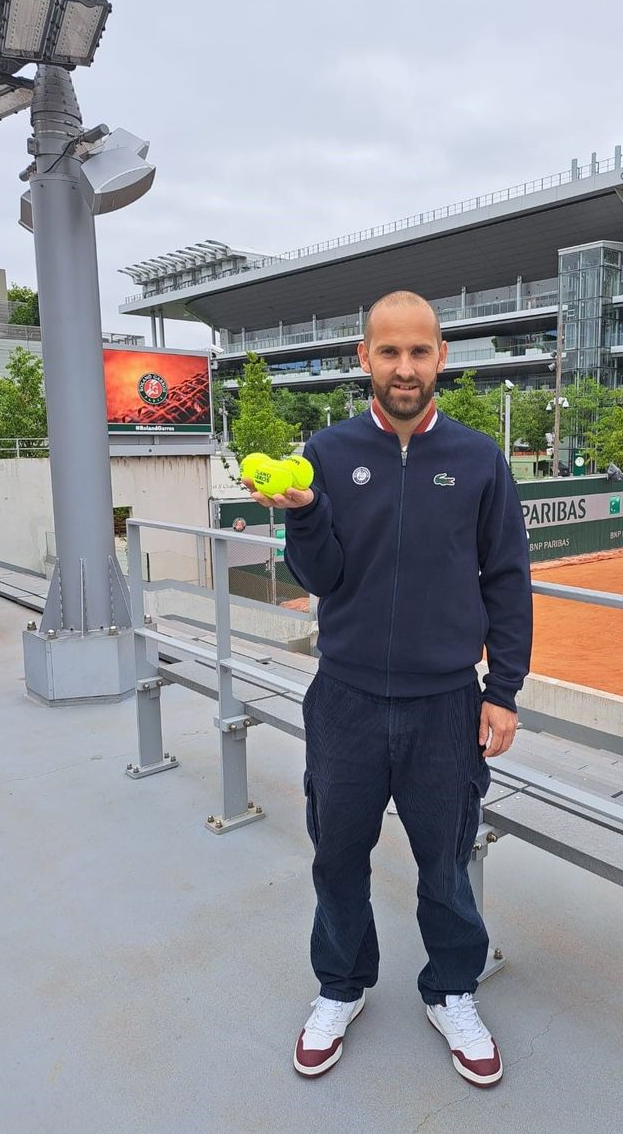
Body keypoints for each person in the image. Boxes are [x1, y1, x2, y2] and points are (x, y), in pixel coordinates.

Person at [244, 290, 532, 1087]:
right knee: (338, 857)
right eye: (388, 352)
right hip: (346, 700)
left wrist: (502, 690)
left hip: (447, 704)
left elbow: (507, 580)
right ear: (363, 358)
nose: (404, 368)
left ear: (441, 357)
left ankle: (450, 991)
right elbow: (322, 576)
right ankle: (341, 986)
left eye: (419, 351)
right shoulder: (329, 452)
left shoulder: (479, 458)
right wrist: (302, 512)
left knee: (443, 863)